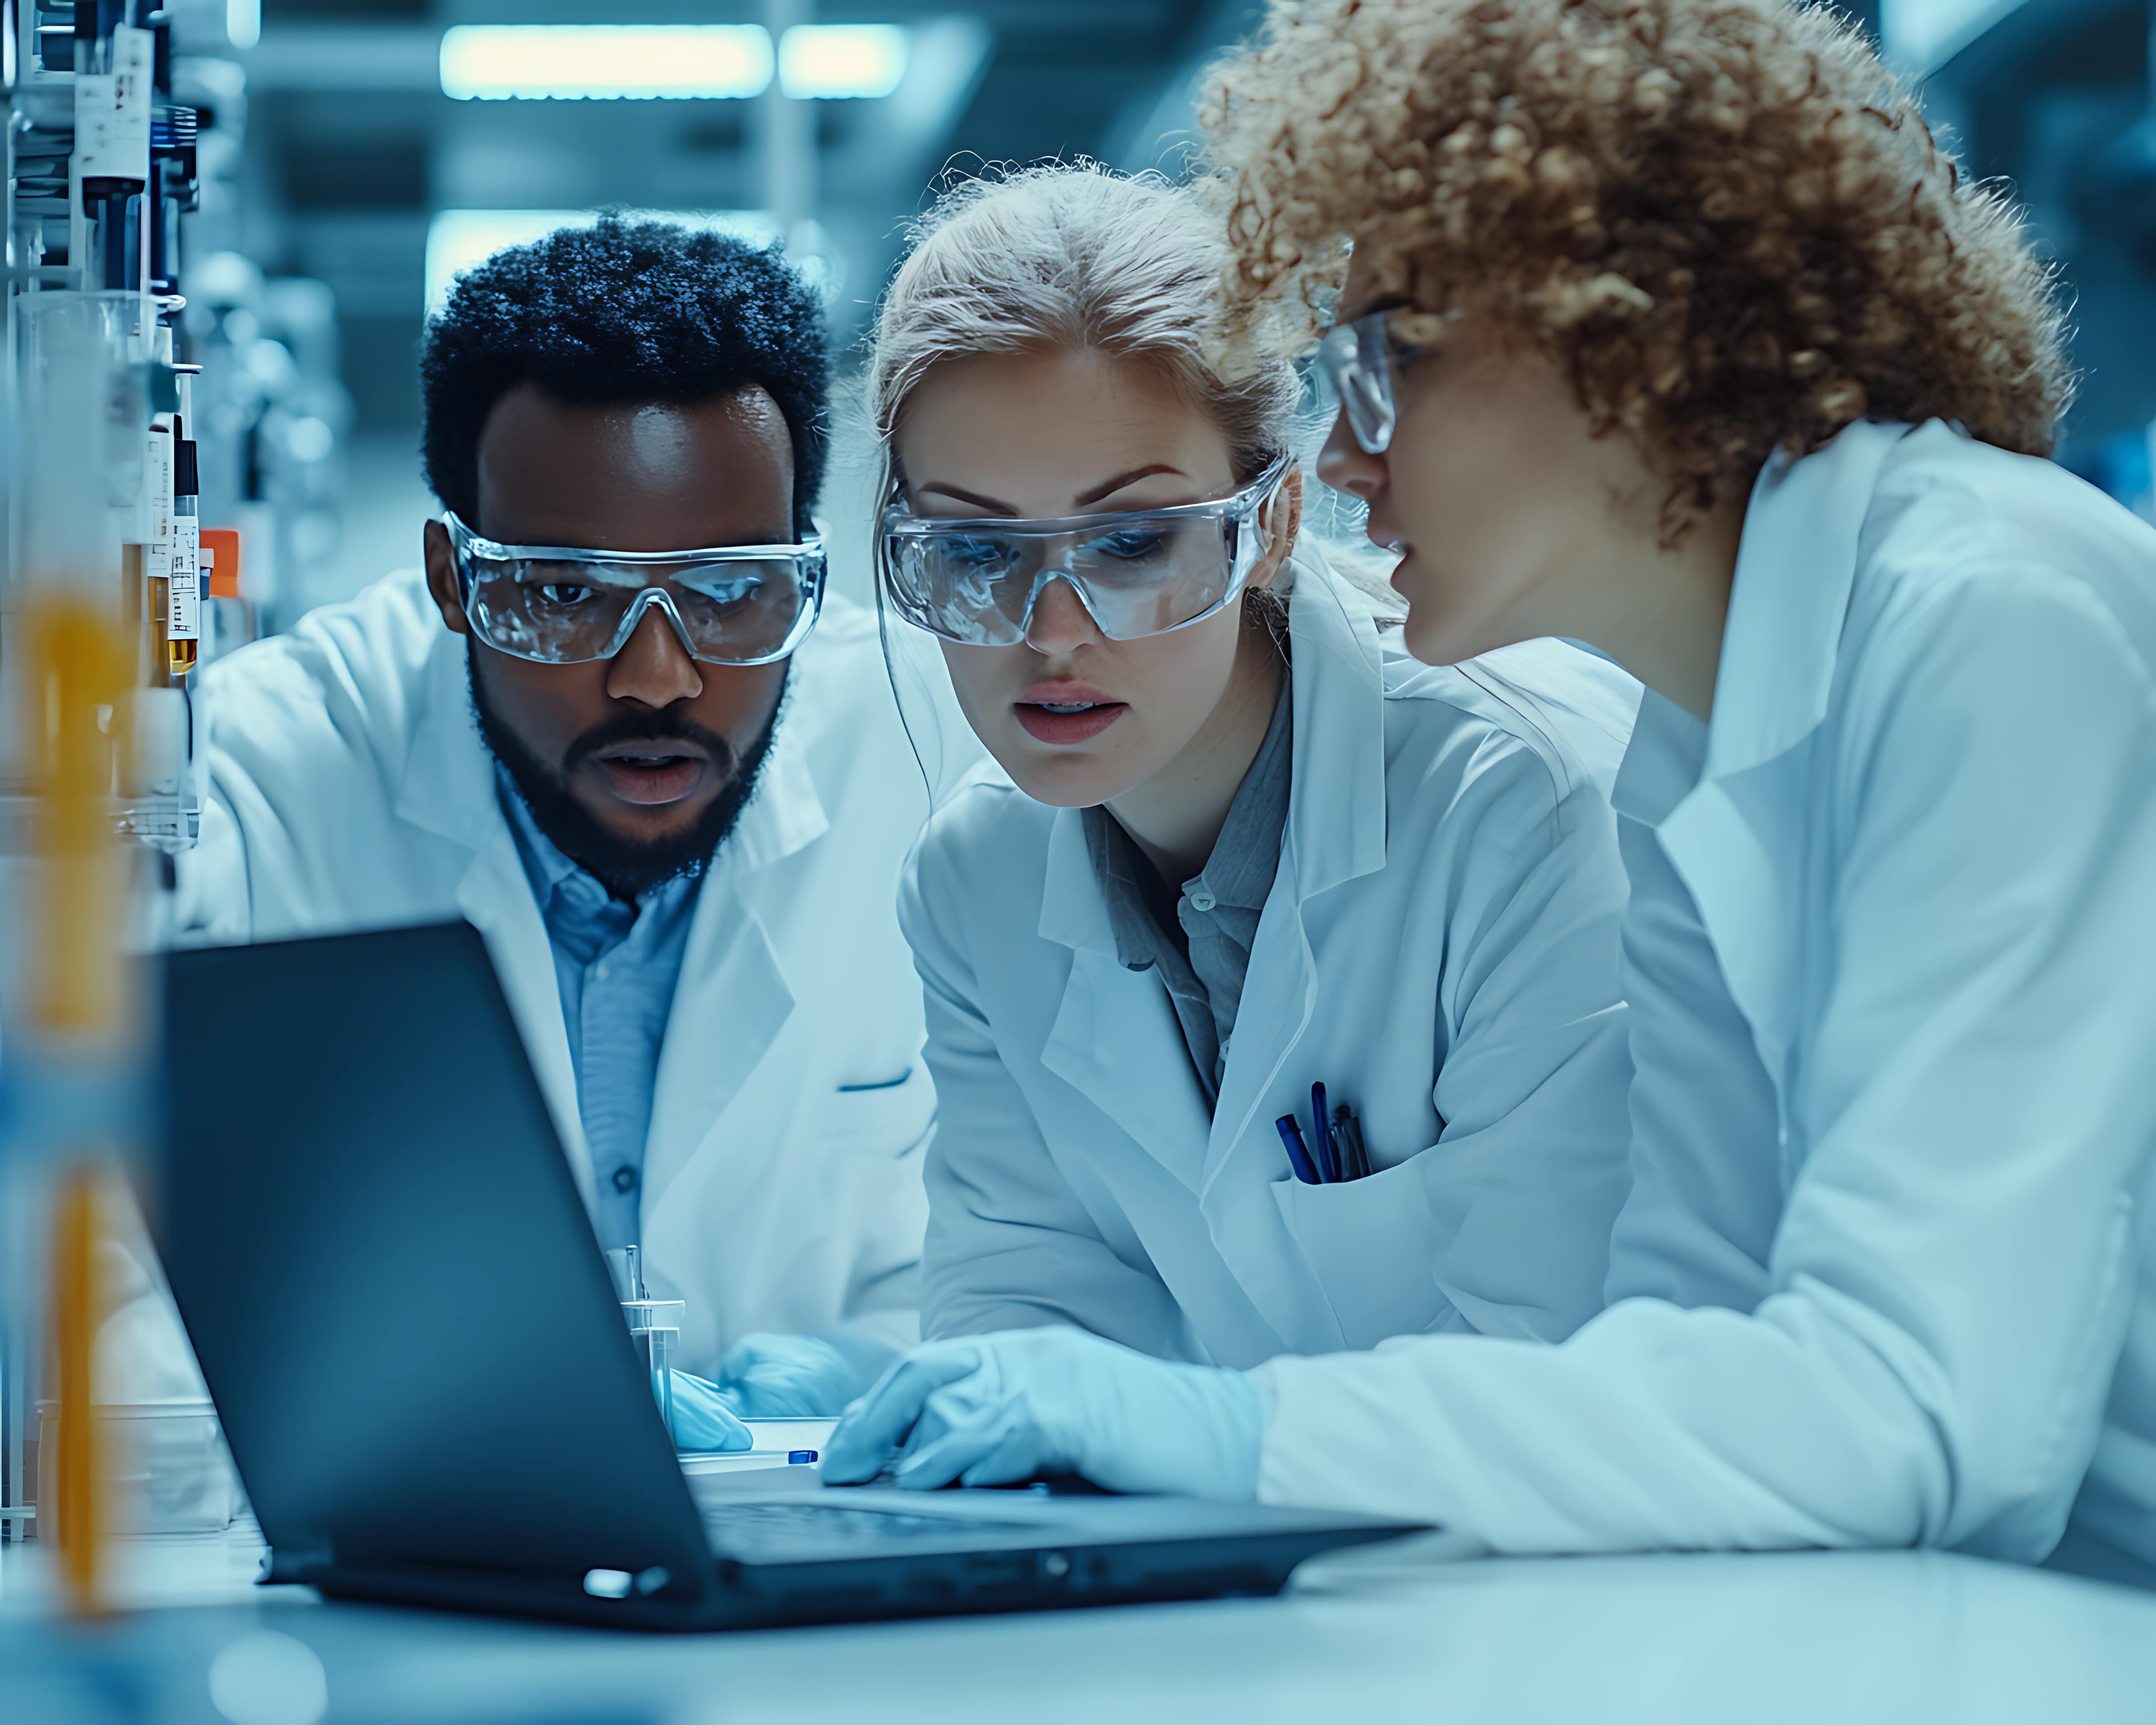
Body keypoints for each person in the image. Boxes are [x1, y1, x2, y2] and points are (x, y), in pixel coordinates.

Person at [825, 0, 2156, 1587]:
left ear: (1630, 335)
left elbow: (1921, 1415)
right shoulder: (1697, 737)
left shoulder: (1993, 608)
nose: (1355, 462)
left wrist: (1230, 1438)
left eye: (1394, 359)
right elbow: (1676, 1351)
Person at [828, 164, 1639, 1486]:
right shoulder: (973, 880)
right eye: (978, 554)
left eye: (1134, 542)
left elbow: (1563, 1371)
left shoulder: (1520, 803)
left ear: (1270, 524)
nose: (1052, 634)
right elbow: (1028, 1315)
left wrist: (1196, 1436)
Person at [170, 218, 962, 1436]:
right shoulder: (262, 771)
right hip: (409, 1558)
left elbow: (1029, 1242)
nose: (657, 679)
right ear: (452, 578)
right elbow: (113, 1259)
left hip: (815, 1543)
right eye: (562, 593)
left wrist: (869, 1367)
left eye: (727, 591)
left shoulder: (929, 754)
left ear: (803, 569)